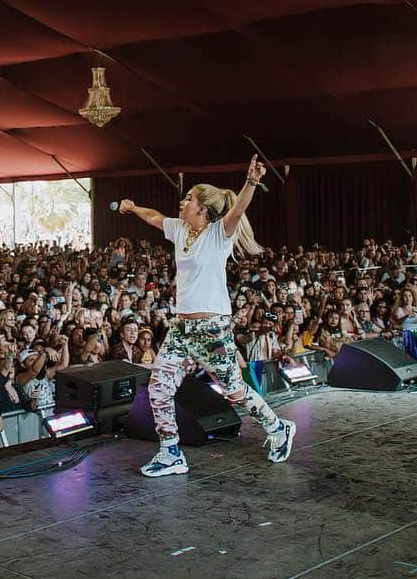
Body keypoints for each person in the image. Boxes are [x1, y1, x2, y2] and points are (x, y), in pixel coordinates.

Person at [118, 155, 296, 477]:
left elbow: (237, 210)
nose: (182, 202)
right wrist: (132, 208)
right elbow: (155, 217)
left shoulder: (218, 234)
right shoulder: (178, 229)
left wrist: (252, 182)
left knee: (234, 391)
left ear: (202, 208)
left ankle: (278, 427)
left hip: (211, 328)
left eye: (188, 199)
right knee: (159, 386)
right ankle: (170, 452)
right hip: (182, 327)